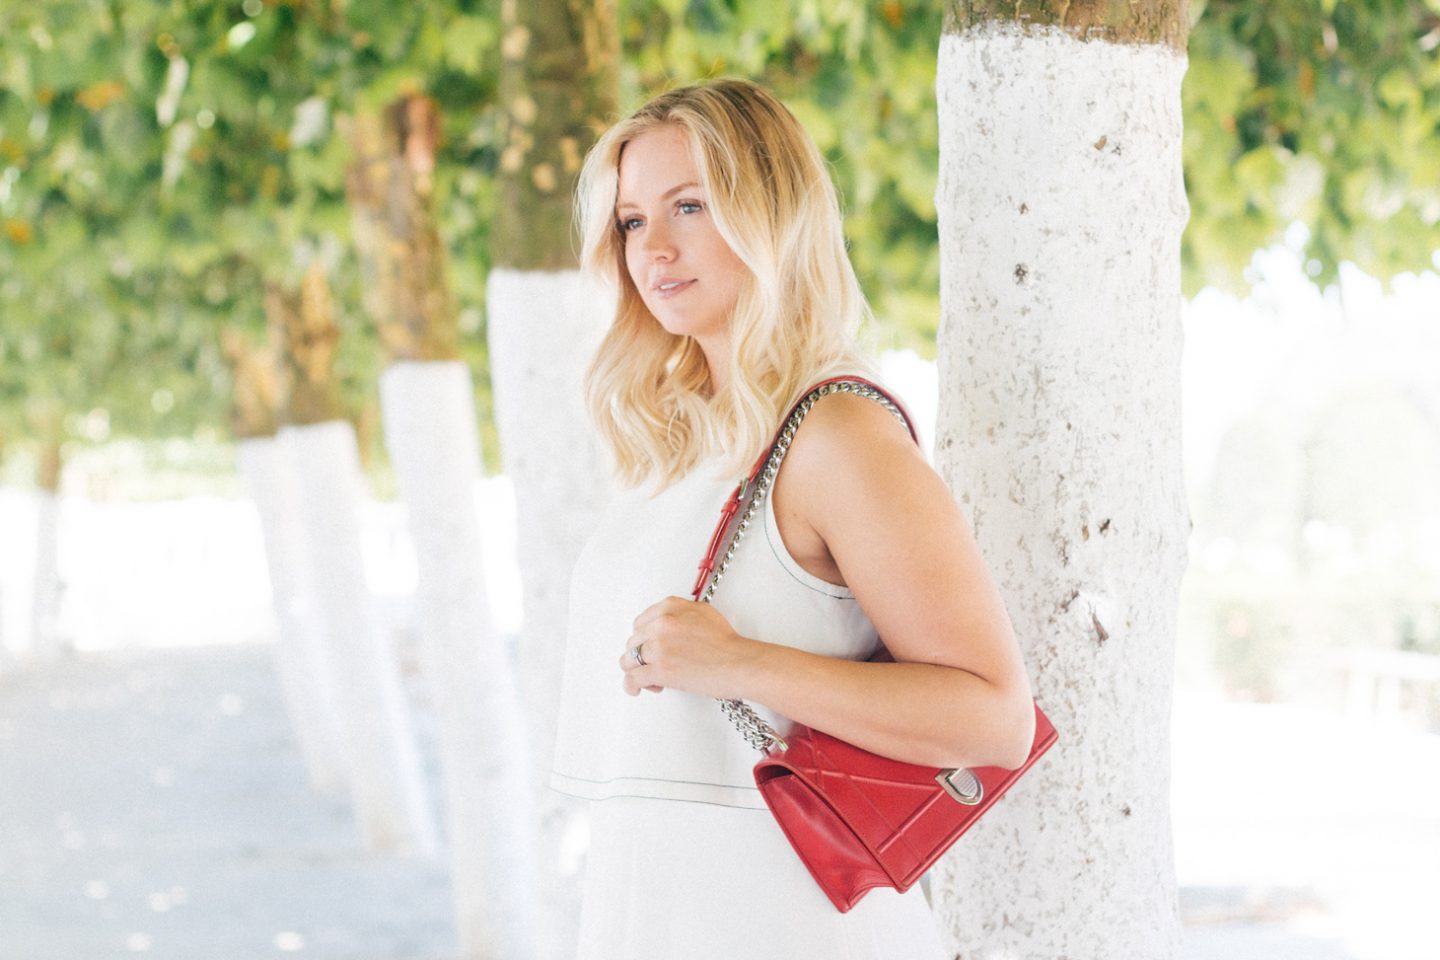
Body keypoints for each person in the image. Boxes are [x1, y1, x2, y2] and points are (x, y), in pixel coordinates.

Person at [550, 78, 1036, 958]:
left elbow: (995, 718)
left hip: (785, 924)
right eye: (630, 221)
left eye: (689, 206)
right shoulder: (678, 444)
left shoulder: (836, 432)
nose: (653, 248)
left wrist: (739, 663)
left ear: (770, 214)